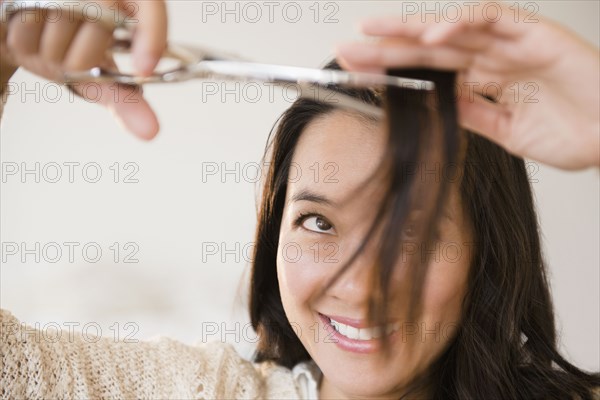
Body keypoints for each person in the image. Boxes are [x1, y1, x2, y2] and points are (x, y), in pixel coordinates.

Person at [0, 1, 598, 399]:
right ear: (273, 229)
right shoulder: (205, 389)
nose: (360, 287)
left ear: (485, 251)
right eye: (317, 221)